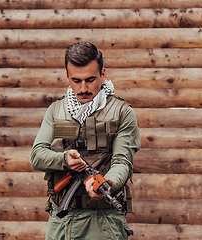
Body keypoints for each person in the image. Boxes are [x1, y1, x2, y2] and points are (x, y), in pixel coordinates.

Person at [30, 42, 141, 240]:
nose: (83, 88)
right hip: (61, 220)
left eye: (90, 80)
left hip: (103, 220)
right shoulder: (55, 111)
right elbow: (36, 156)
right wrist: (65, 159)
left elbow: (123, 162)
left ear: (103, 74)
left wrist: (108, 183)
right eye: (76, 80)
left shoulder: (122, 112)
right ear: (67, 76)